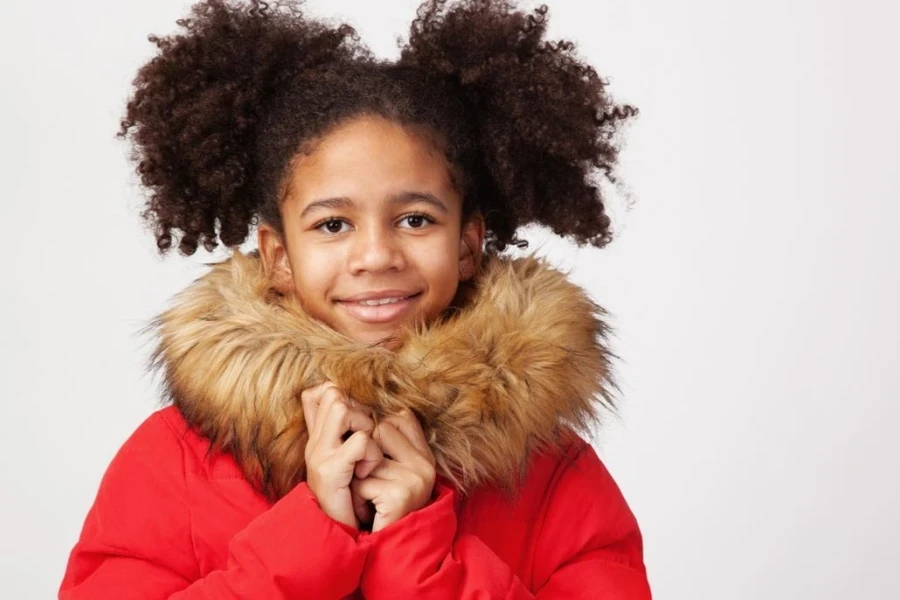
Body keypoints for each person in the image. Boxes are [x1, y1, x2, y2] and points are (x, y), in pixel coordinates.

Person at [59, 0, 650, 597]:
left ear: (468, 244)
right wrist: (311, 537)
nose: (376, 256)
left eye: (416, 219)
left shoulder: (550, 472)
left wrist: (419, 557)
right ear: (279, 257)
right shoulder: (172, 462)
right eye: (333, 225)